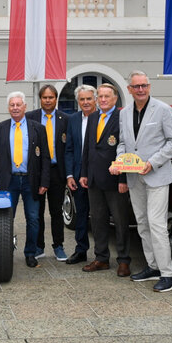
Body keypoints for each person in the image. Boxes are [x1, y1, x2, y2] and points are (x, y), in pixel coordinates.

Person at [110, 71, 172, 292]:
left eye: (144, 86)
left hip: (157, 175)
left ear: (149, 87)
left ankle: (168, 274)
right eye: (136, 86)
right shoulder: (124, 113)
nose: (141, 90)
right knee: (142, 223)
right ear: (129, 89)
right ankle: (153, 267)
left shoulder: (163, 110)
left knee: (157, 224)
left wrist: (152, 162)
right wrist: (120, 160)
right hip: (134, 177)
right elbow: (123, 142)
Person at [0, 92, 50, 268]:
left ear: (25, 107)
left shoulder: (38, 128)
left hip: (32, 181)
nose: (15, 108)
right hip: (8, 182)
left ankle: (30, 253)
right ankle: (5, 253)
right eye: (12, 105)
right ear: (8, 108)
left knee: (33, 218)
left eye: (18, 104)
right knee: (5, 219)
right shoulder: (0, 128)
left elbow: (45, 157)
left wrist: (44, 182)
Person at [79, 83, 131, 277]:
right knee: (98, 220)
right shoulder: (93, 117)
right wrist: (84, 173)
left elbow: (127, 148)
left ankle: (124, 260)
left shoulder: (122, 118)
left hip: (115, 179)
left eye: (106, 96)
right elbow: (88, 148)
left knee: (120, 221)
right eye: (99, 96)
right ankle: (101, 258)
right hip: (94, 179)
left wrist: (124, 178)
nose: (102, 100)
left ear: (115, 99)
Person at [26, 84, 68, 261]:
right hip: (37, 172)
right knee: (37, 211)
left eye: (51, 97)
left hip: (57, 171)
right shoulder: (30, 118)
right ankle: (38, 246)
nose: (48, 100)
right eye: (45, 97)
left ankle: (58, 246)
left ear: (56, 99)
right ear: (40, 99)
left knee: (56, 211)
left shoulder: (66, 119)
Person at [63, 85, 96, 265]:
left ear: (95, 100)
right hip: (77, 176)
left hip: (99, 177)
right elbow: (69, 150)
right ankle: (81, 250)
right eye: (82, 99)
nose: (85, 102)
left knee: (100, 216)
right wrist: (69, 175)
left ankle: (101, 254)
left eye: (89, 99)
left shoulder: (103, 118)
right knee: (81, 215)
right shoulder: (73, 119)